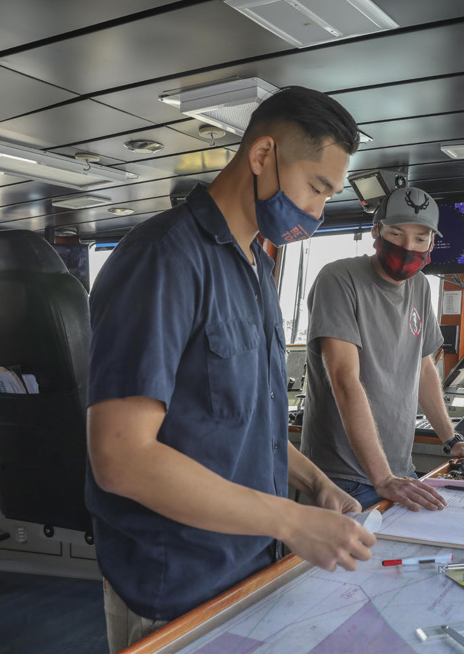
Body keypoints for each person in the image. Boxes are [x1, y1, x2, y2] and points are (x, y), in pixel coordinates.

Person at [85, 86, 375, 653]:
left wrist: (315, 486)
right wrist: (291, 523)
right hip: (179, 587)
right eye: (316, 187)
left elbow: (244, 425)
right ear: (263, 155)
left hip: (250, 568)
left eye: (329, 195)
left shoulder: (255, 269)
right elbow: (120, 458)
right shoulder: (164, 258)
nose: (317, 211)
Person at [300, 187, 464, 512]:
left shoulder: (420, 286)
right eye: (396, 233)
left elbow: (421, 368)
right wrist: (382, 478)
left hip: (398, 474)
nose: (408, 247)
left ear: (433, 242)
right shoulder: (338, 279)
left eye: (421, 238)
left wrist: (452, 441)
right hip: (343, 480)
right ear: (376, 232)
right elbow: (343, 379)